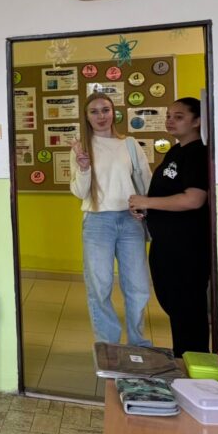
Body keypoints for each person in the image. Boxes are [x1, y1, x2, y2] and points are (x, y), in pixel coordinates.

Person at [128, 97, 210, 356]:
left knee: (188, 310)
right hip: (166, 245)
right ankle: (182, 358)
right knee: (175, 306)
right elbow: (168, 195)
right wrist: (147, 209)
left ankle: (194, 362)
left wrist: (147, 201)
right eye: (168, 116)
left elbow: (194, 199)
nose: (170, 121)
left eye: (179, 116)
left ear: (197, 121)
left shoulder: (198, 153)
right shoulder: (175, 152)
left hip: (186, 247)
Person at [70, 92, 152, 346]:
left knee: (138, 286)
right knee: (100, 286)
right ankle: (108, 345)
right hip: (97, 222)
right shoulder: (81, 147)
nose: (101, 116)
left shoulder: (130, 144)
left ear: (113, 112)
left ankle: (138, 342)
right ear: (86, 116)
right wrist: (84, 168)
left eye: (105, 110)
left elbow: (146, 181)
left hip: (130, 220)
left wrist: (146, 208)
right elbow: (79, 192)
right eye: (94, 111)